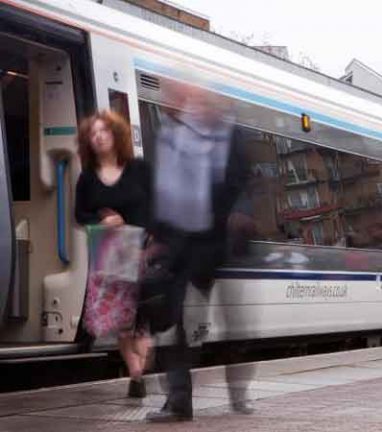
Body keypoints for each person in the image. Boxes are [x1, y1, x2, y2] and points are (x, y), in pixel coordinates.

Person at [145, 86, 253, 422]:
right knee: (177, 324)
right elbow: (167, 189)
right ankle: (178, 403)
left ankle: (238, 393)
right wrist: (158, 238)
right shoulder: (176, 138)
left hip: (224, 248)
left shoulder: (233, 138)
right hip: (185, 247)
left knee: (235, 328)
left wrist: (240, 213)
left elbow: (247, 184)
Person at [75, 110, 152, 398]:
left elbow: (155, 205)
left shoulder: (139, 170)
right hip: (108, 253)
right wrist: (100, 220)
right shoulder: (87, 178)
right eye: (93, 133)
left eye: (103, 131)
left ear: (115, 135)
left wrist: (142, 230)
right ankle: (135, 373)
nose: (98, 137)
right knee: (121, 322)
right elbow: (79, 213)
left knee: (141, 321)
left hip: (139, 250)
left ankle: (140, 369)